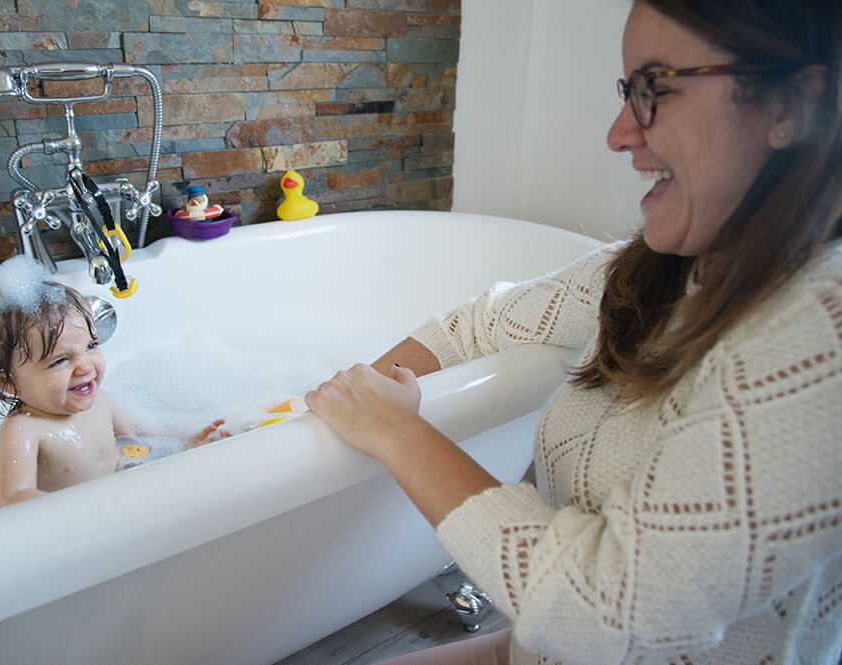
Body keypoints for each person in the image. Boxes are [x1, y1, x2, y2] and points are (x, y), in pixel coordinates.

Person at [305, 1, 842, 663]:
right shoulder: (658, 271)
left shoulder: (823, 332)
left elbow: (608, 612)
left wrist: (397, 431)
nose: (619, 133)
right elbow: (476, 324)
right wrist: (345, 402)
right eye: (627, 91)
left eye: (655, 89)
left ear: (791, 106)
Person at [0, 256, 229, 507]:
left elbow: (137, 431)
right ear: (9, 383)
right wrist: (81, 511)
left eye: (91, 346)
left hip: (118, 502)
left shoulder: (101, 402)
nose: (85, 366)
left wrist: (190, 439)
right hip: (79, 529)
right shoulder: (24, 430)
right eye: (60, 361)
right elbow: (14, 497)